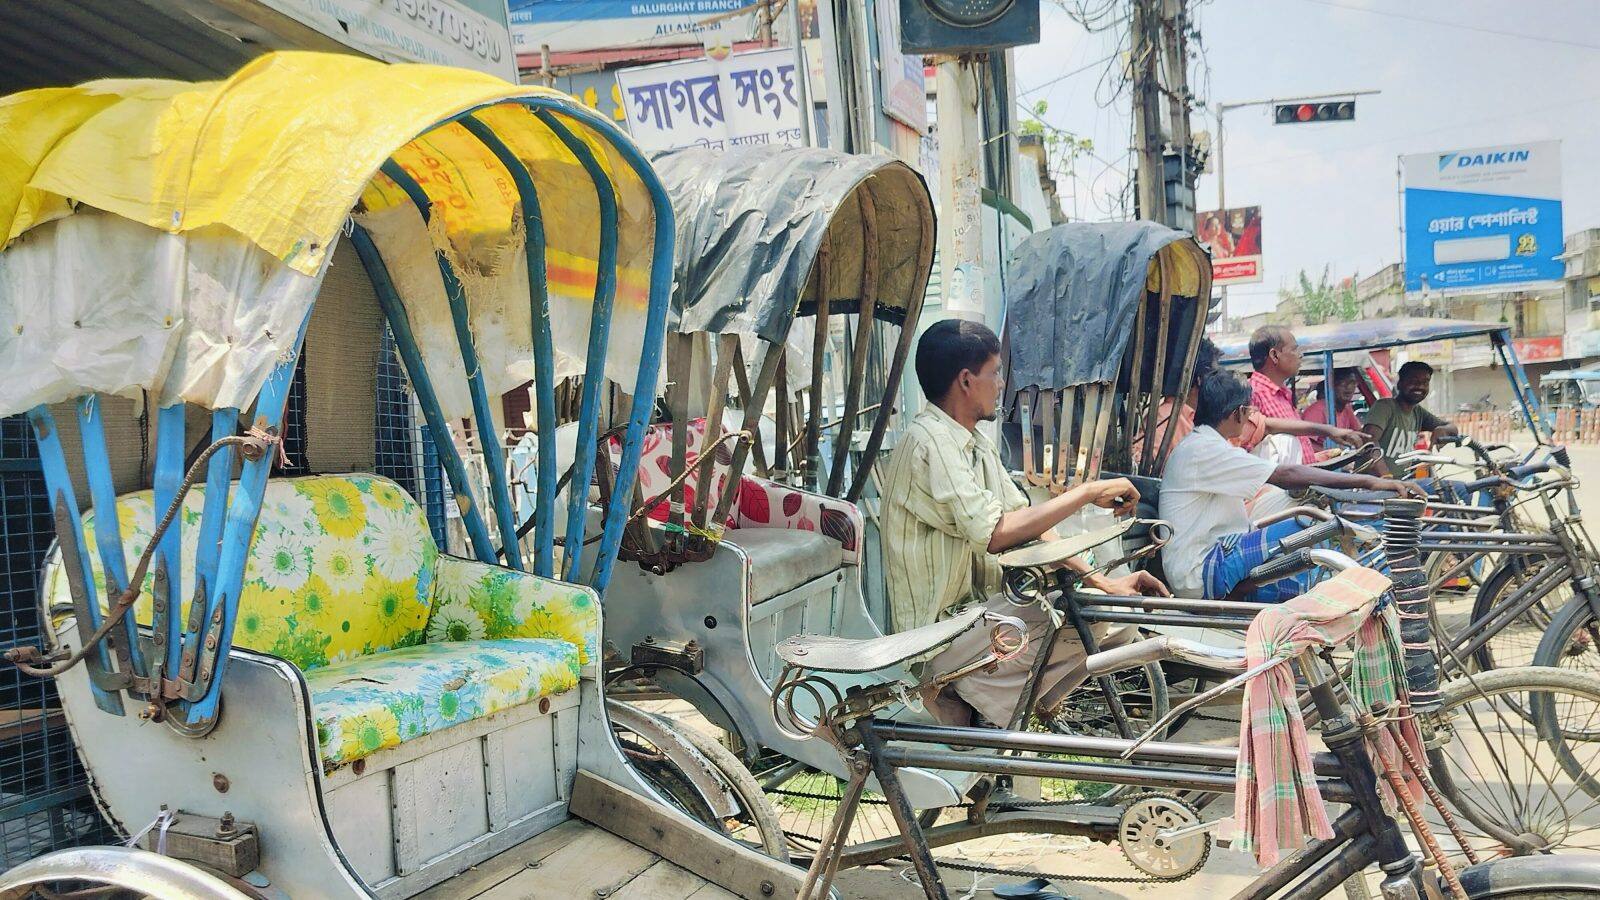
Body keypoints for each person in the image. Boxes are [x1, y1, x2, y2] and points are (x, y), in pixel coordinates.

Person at [879, 319, 1169, 728]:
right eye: (994, 373)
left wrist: (1102, 582)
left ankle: (997, 710)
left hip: (979, 615)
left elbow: (1028, 525)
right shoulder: (929, 442)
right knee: (1085, 618)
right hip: (939, 636)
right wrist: (1085, 493)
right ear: (966, 380)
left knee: (1111, 613)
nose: (1000, 384)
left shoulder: (974, 441)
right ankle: (956, 699)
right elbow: (997, 533)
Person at [1160, 371, 1422, 603]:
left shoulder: (1206, 444)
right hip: (1201, 570)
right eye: (1249, 412)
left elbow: (1279, 452)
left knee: (1298, 586)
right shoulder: (1203, 450)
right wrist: (1371, 481)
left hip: (1212, 559)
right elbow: (1287, 473)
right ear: (1238, 413)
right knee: (1304, 527)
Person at [1248, 325, 1365, 464]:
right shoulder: (1253, 393)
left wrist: (1321, 458)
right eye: (1294, 349)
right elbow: (1255, 447)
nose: (1300, 355)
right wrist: (1329, 431)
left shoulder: (1282, 394)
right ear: (1274, 355)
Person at [1362, 361, 1460, 475]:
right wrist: (1386, 478)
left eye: (1425, 382)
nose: (1420, 386)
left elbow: (1453, 428)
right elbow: (1369, 441)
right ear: (1400, 384)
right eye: (1414, 381)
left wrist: (1443, 430)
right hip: (1374, 485)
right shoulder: (1384, 407)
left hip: (1402, 484)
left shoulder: (1418, 412)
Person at [1302, 367, 1364, 433]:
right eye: (1342, 382)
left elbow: (1358, 432)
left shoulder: (1346, 408)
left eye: (1352, 382)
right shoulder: (1317, 411)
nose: (1348, 387)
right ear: (1332, 385)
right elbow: (1307, 441)